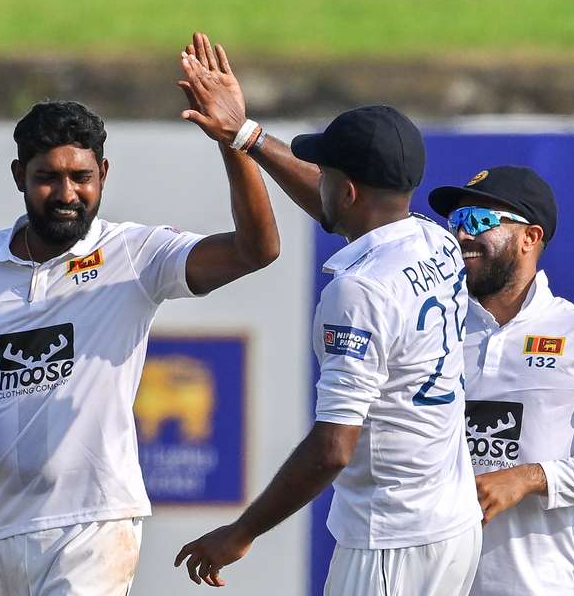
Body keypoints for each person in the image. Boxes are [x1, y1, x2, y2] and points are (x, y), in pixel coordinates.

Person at [0, 91, 280, 595]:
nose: (67, 193)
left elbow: (257, 250)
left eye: (81, 178)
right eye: (47, 177)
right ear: (18, 177)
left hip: (94, 523)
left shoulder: (134, 253)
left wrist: (234, 142)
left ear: (104, 174)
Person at [173, 34, 482, 595]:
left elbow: (332, 449)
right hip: (452, 525)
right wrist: (246, 137)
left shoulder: (360, 289)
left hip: (389, 542)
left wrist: (241, 532)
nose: (324, 181)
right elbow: (331, 202)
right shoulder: (435, 240)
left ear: (351, 190)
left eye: (330, 173)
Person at [427, 166, 574, 595]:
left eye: (478, 221)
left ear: (530, 237)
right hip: (427, 582)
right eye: (455, 223)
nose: (460, 238)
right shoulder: (431, 327)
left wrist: (527, 478)